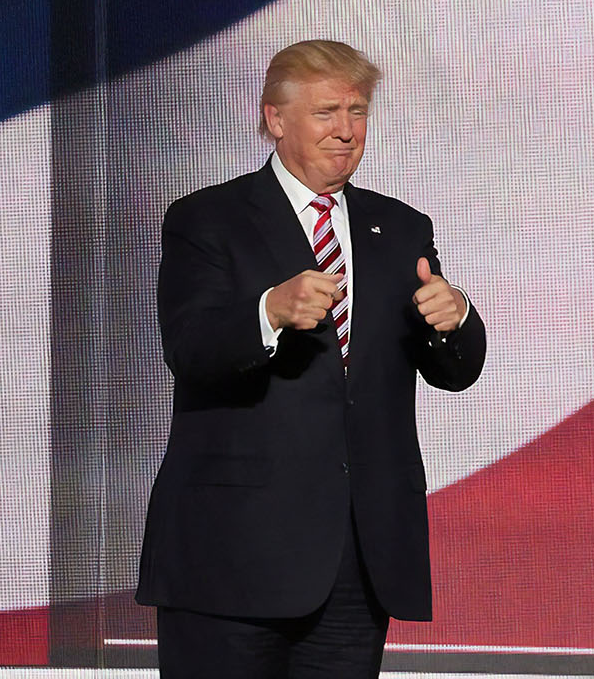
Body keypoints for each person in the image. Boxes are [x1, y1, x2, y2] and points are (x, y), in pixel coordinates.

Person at [136, 39, 487, 677]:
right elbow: (191, 351)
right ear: (275, 119)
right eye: (327, 112)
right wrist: (269, 311)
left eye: (357, 113)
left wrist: (456, 319)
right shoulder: (208, 219)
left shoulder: (401, 227)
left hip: (357, 559)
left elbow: (454, 372)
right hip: (232, 553)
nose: (346, 131)